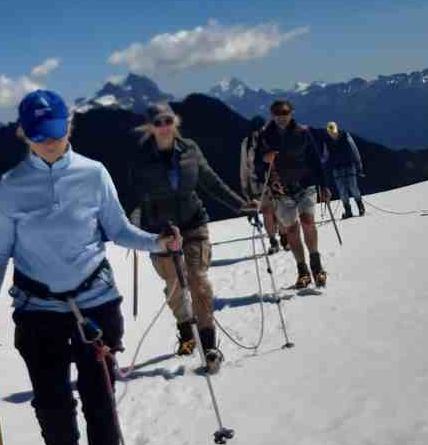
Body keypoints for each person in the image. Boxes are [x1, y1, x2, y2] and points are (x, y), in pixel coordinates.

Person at [0, 89, 182, 445]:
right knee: (51, 401)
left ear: (69, 127)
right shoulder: (11, 186)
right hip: (36, 309)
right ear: (24, 134)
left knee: (99, 398)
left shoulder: (93, 174)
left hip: (95, 305)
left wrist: (159, 243)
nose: (49, 143)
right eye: (39, 136)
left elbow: (119, 230)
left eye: (55, 134)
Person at [128, 103, 254, 373]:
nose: (164, 126)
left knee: (198, 282)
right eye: (158, 122)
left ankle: (209, 346)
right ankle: (186, 329)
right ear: (149, 126)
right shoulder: (140, 156)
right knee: (174, 285)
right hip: (160, 230)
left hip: (193, 222)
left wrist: (239, 204)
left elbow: (210, 181)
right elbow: (133, 194)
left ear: (175, 121)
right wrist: (136, 227)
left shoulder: (190, 150)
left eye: (168, 120)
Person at [259, 99, 331, 288]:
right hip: (280, 190)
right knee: (291, 230)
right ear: (272, 115)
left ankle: (316, 265)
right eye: (277, 113)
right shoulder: (265, 136)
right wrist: (265, 160)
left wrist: (324, 185)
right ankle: (302, 270)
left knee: (307, 221)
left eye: (284, 112)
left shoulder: (303, 133)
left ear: (291, 113)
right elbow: (258, 164)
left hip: (305, 185)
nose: (281, 116)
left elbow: (316, 160)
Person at [240, 115, 282, 254]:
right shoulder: (246, 144)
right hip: (257, 183)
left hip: (274, 180)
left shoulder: (272, 139)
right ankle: (273, 241)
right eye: (256, 130)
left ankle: (284, 236)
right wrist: (245, 186)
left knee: (280, 211)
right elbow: (244, 166)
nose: (258, 133)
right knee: (267, 212)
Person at [324, 121, 366, 217]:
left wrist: (359, 166)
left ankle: (360, 207)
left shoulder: (345, 136)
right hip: (337, 168)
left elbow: (354, 150)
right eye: (330, 132)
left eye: (333, 132)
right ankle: (348, 210)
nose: (332, 134)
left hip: (349, 166)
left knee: (353, 187)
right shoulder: (327, 141)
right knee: (342, 191)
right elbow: (325, 155)